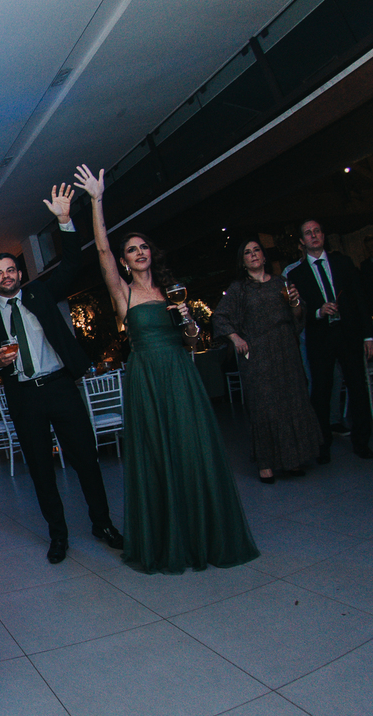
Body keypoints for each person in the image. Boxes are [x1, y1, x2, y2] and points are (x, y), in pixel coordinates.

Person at [73, 164, 259, 574]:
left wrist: (188, 320)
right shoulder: (123, 293)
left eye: (144, 247)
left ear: (151, 254)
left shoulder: (171, 291)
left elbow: (192, 341)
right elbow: (101, 251)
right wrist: (97, 201)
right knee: (159, 453)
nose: (140, 252)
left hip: (180, 373)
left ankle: (204, 533)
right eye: (132, 250)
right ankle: (170, 538)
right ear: (124, 261)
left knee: (193, 450)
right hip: (147, 377)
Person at [0, 184, 122, 564]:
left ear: (20, 272)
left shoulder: (40, 293)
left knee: (85, 459)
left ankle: (103, 523)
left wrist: (64, 221)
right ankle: (58, 536)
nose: (6, 276)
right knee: (41, 470)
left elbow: (71, 264)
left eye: (11, 270)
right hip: (24, 397)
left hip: (59, 387)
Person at [211, 239, 323, 482]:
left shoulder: (282, 282)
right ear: (243, 261)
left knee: (292, 403)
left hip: (286, 352)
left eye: (257, 250)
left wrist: (295, 303)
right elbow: (219, 317)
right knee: (264, 407)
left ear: (264, 256)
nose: (253, 255)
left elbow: (298, 316)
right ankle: (266, 464)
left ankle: (293, 460)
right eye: (247, 252)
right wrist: (236, 338)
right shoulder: (239, 289)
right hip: (258, 356)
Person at [286, 219, 373, 461]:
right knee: (321, 392)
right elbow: (296, 314)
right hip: (320, 338)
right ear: (302, 242)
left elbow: (360, 299)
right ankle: (322, 445)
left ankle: (362, 442)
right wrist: (318, 311)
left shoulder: (343, 263)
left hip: (349, 334)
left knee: (357, 388)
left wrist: (369, 335)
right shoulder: (296, 275)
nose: (314, 235)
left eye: (317, 231)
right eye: (308, 233)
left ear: (323, 236)